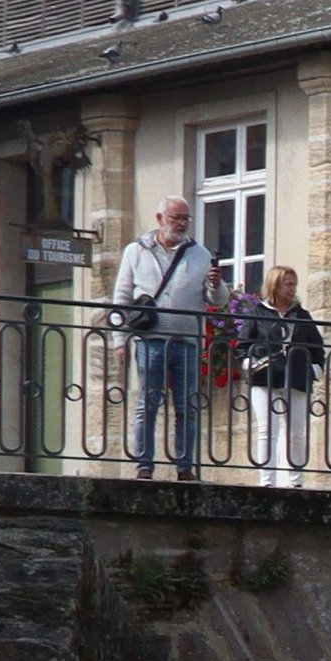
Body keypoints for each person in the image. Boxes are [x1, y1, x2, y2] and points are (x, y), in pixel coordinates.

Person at [112, 195, 217, 483]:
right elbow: (121, 298)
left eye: (186, 218)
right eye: (176, 218)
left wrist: (217, 285)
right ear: (160, 219)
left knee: (188, 406)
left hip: (186, 340)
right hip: (150, 338)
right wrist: (119, 340)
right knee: (148, 402)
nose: (182, 224)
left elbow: (217, 300)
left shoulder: (201, 255)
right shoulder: (136, 251)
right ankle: (144, 465)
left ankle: (185, 467)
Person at [247, 264, 329, 478]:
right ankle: (267, 481)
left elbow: (317, 348)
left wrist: (315, 370)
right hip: (265, 375)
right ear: (275, 285)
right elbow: (243, 344)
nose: (293, 289)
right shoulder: (258, 312)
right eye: (288, 284)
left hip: (297, 375)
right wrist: (251, 362)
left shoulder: (302, 315)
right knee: (267, 430)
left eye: (294, 284)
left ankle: (295, 481)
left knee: (297, 432)